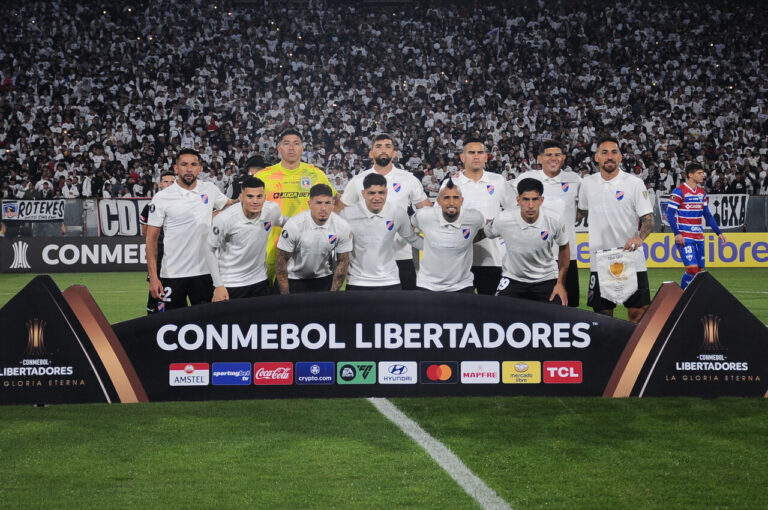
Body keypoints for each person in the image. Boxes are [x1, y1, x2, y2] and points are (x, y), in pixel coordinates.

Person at [337, 133, 431, 290]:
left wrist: (415, 224)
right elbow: (340, 213)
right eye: (378, 146)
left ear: (394, 153)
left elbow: (427, 211)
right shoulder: (358, 181)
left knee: (405, 311)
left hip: (401, 255)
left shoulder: (409, 179)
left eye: (388, 146)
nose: (383, 150)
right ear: (371, 153)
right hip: (365, 261)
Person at [146, 149, 235, 310]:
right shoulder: (162, 198)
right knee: (170, 327)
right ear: (176, 168)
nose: (188, 169)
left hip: (204, 273)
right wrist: (153, 277)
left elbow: (230, 204)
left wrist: (250, 198)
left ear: (200, 169)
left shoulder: (209, 189)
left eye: (193, 164)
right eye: (184, 164)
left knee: (208, 326)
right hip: (172, 274)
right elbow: (151, 241)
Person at [577, 136, 654, 323]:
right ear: (596, 158)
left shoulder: (634, 183)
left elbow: (649, 221)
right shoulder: (587, 184)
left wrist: (639, 238)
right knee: (601, 317)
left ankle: (635, 353)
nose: (609, 156)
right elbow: (582, 212)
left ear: (620, 157)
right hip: (600, 260)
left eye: (614, 152)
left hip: (631, 259)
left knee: (637, 314)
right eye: (604, 152)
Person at [256, 128, 335, 284]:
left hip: (309, 247)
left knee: (308, 300)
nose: (291, 148)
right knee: (272, 301)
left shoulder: (316, 174)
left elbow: (335, 202)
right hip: (272, 247)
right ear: (279, 149)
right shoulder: (264, 176)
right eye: (286, 144)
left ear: (302, 149)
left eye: (296, 144)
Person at [511, 140, 582, 306]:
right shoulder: (527, 178)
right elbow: (508, 201)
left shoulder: (575, 180)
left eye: (557, 155)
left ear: (563, 158)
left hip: (566, 254)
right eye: (549, 155)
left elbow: (584, 208)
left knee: (569, 308)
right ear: (539, 158)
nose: (553, 158)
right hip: (534, 255)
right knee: (534, 308)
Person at [484, 178, 569, 304]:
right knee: (498, 313)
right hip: (513, 278)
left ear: (541, 200)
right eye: (525, 199)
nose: (530, 205)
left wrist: (560, 283)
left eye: (535, 199)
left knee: (558, 317)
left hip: (546, 278)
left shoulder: (554, 220)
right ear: (518, 200)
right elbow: (486, 232)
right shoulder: (503, 219)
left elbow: (564, 247)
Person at [205, 176, 284, 300]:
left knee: (263, 319)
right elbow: (209, 249)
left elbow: (282, 221)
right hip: (231, 284)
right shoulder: (225, 219)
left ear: (264, 197)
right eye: (250, 196)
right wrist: (219, 285)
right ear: (241, 197)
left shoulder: (271, 210)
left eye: (259, 196)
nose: (255, 201)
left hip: (260, 281)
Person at [340, 173, 423, 290]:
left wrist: (437, 246)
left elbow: (412, 238)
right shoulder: (347, 214)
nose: (377, 197)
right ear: (363, 193)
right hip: (357, 282)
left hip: (390, 281)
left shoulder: (397, 213)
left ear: (387, 192)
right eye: (372, 193)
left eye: (381, 192)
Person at [453, 136, 512, 295]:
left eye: (480, 152)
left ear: (486, 156)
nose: (476, 156)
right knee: (462, 312)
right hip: (461, 260)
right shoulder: (452, 184)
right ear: (462, 157)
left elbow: (514, 212)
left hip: (493, 259)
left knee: (492, 312)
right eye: (471, 152)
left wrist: (497, 225)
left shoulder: (498, 181)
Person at [411, 178, 485, 293]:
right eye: (447, 198)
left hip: (462, 286)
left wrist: (468, 240)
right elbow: (410, 226)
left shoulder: (474, 218)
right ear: (439, 201)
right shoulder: (425, 216)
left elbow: (485, 230)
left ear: (462, 200)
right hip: (427, 286)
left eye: (455, 198)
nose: (451, 202)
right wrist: (423, 244)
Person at [275, 184, 352, 294]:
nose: (323, 208)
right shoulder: (294, 225)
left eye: (327, 203)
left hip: (323, 278)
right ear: (309, 204)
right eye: (319, 203)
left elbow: (343, 261)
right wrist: (286, 296)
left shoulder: (342, 226)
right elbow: (281, 261)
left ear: (333, 204)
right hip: (294, 279)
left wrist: (333, 293)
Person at [666, 163, 727, 289]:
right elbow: (670, 214)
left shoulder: (702, 193)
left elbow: (708, 215)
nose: (702, 175)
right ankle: (682, 297)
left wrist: (719, 233)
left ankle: (691, 300)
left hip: (699, 237)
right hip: (685, 236)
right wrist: (677, 233)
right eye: (699, 173)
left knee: (698, 271)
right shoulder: (679, 191)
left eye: (703, 173)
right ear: (690, 175)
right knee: (692, 269)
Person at [139, 171, 176, 314]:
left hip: (178, 257)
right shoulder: (151, 205)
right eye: (166, 182)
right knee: (156, 293)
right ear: (160, 184)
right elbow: (145, 232)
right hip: (160, 257)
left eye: (172, 182)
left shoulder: (184, 205)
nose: (169, 185)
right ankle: (153, 318)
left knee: (175, 294)